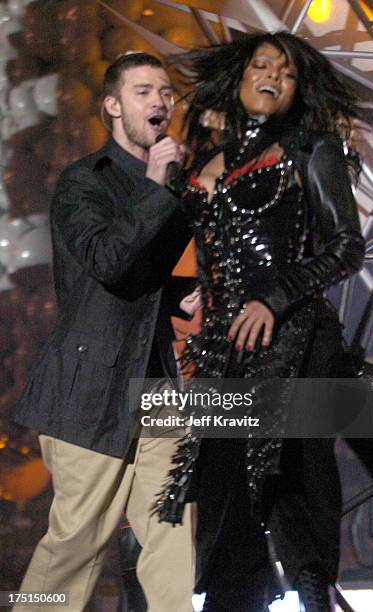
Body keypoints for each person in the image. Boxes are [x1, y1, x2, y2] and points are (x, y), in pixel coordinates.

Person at [155, 32, 367, 611]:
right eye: (262, 64)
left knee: (286, 470)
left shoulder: (311, 150)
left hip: (294, 333)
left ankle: (312, 594)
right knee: (223, 491)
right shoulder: (204, 163)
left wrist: (274, 299)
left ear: (298, 90)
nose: (273, 74)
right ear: (240, 76)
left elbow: (347, 248)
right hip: (224, 348)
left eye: (288, 71)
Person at [13, 52, 195, 612]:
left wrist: (179, 292)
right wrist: (159, 184)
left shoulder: (169, 186)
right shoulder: (82, 183)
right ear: (113, 106)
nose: (160, 102)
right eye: (144, 91)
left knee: (170, 534)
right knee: (77, 544)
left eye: (166, 92)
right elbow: (106, 262)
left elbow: (138, 283)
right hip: (90, 389)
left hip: (157, 382)